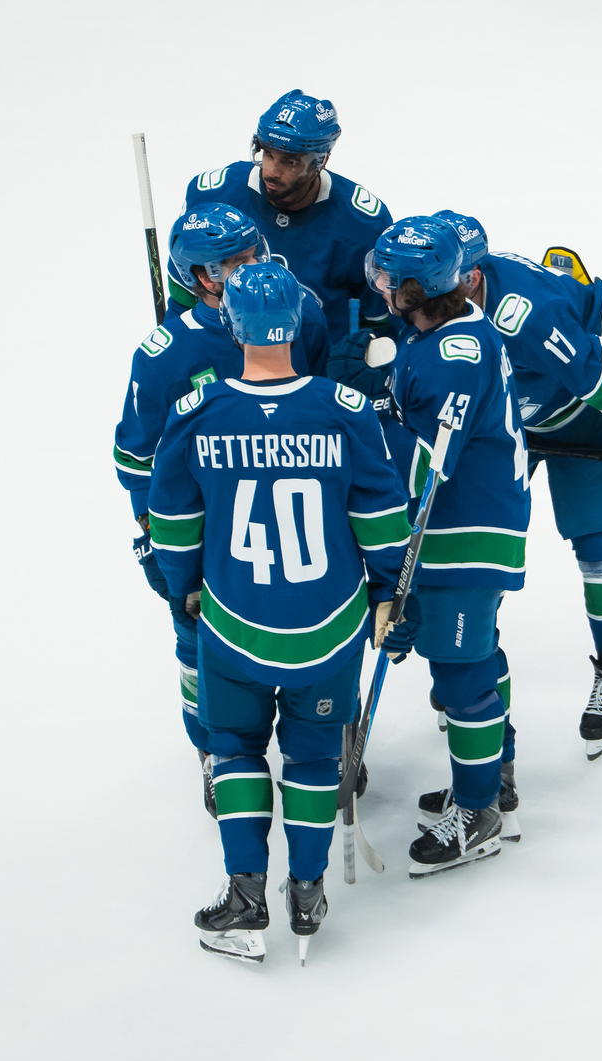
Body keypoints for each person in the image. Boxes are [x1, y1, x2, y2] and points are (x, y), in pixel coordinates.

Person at [147, 260, 409, 964]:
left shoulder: (196, 413)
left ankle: (244, 894)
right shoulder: (344, 410)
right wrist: (390, 591)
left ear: (231, 323)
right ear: (296, 322)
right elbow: (381, 515)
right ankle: (309, 891)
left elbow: (172, 520)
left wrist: (183, 585)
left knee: (233, 749)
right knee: (316, 755)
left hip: (234, 623)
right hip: (330, 629)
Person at [434, 210, 602, 761]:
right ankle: (468, 674)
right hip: (504, 427)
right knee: (470, 555)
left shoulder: (527, 317)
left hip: (583, 413)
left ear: (472, 276)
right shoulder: (424, 295)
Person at [115, 203, 331, 814]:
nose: (251, 270)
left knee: (312, 634)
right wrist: (151, 530)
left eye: (253, 254)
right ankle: (216, 754)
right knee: (200, 644)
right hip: (209, 526)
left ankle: (322, 747)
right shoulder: (165, 353)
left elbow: (318, 403)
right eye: (232, 264)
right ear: (200, 278)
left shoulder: (300, 308)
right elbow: (135, 454)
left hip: (298, 511)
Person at [363, 216, 531, 877]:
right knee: (473, 660)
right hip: (463, 527)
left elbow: (427, 469)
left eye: (387, 279)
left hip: (465, 534)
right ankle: (491, 780)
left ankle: (481, 812)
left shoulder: (451, 358)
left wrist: (361, 424)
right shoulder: (436, 336)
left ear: (414, 288)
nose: (377, 286)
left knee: (462, 675)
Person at [179, 89, 394, 336]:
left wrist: (358, 359)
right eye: (268, 154)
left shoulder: (362, 222)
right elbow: (184, 295)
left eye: (289, 162)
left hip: (318, 365)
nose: (271, 171)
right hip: (227, 360)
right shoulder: (213, 195)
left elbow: (378, 321)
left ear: (321, 161)